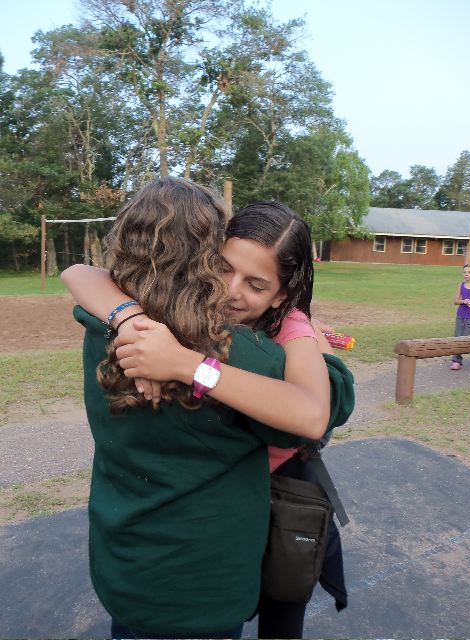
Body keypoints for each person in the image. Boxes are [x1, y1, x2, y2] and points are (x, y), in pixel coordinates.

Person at [62, 178, 354, 639]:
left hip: (125, 568)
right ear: (205, 254)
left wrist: (128, 315)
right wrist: (300, 329)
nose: (232, 292)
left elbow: (79, 273)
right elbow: (324, 404)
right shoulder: (242, 354)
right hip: (202, 589)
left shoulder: (102, 319)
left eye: (255, 284)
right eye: (222, 267)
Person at [450, 264, 470, 370]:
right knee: (457, 337)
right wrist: (464, 301)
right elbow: (456, 301)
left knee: (468, 338)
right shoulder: (461, 285)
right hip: (461, 314)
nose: (466, 274)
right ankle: (456, 361)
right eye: (465, 272)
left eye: (469, 272)